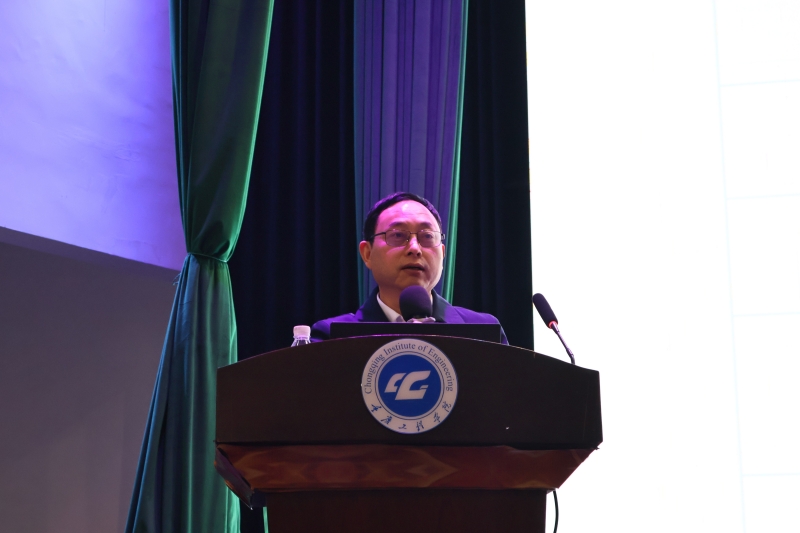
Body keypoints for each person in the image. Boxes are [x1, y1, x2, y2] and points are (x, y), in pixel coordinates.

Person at [311, 192, 508, 344]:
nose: (415, 248)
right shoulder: (332, 337)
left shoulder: (484, 333)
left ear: (443, 253)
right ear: (367, 254)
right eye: (398, 235)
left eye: (427, 236)